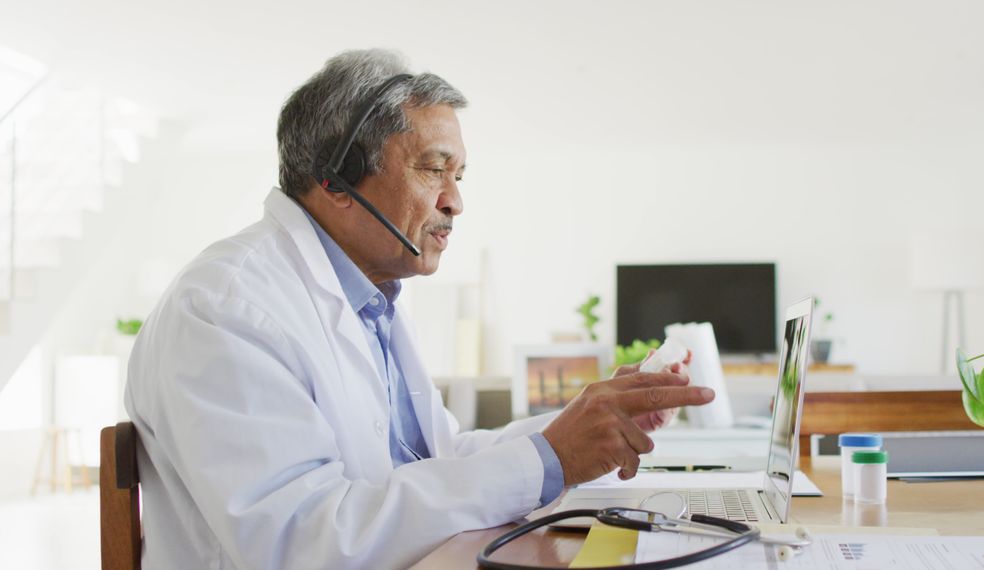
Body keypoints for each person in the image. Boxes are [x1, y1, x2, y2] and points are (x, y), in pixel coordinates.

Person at [125, 49, 714, 569]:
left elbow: (441, 459)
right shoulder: (227, 308)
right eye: (433, 169)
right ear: (335, 178)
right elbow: (298, 543)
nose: (455, 201)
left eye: (458, 175)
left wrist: (589, 425)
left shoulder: (369, 299)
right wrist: (550, 457)